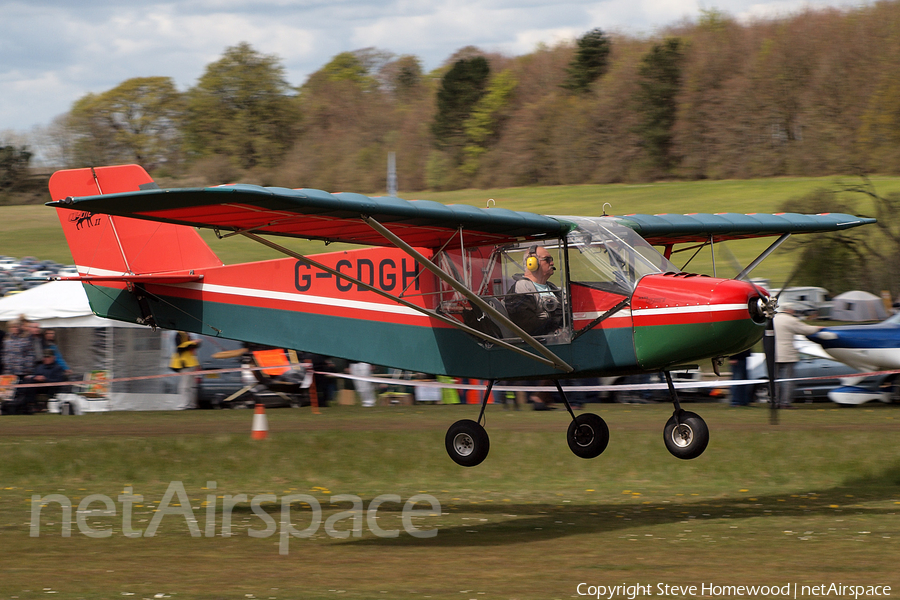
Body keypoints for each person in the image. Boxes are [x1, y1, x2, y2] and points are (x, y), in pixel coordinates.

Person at [505, 245, 563, 336]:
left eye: (551, 259)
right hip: (543, 343)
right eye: (547, 259)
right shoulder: (522, 288)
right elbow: (527, 326)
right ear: (531, 263)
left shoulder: (552, 287)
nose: (552, 263)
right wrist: (554, 325)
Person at [773, 302, 821, 408]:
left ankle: (774, 401)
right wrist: (818, 328)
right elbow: (805, 330)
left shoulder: (772, 319)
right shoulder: (790, 320)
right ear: (789, 310)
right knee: (787, 380)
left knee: (774, 380)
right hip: (787, 355)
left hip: (772, 354)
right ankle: (784, 402)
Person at [19, 350, 68, 414]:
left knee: (31, 385)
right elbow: (34, 375)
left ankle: (31, 405)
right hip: (38, 387)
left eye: (48, 357)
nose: (46, 359)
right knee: (27, 382)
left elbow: (58, 381)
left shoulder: (58, 368)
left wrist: (45, 379)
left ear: (53, 358)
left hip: (51, 388)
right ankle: (26, 404)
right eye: (45, 357)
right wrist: (34, 378)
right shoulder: (39, 367)